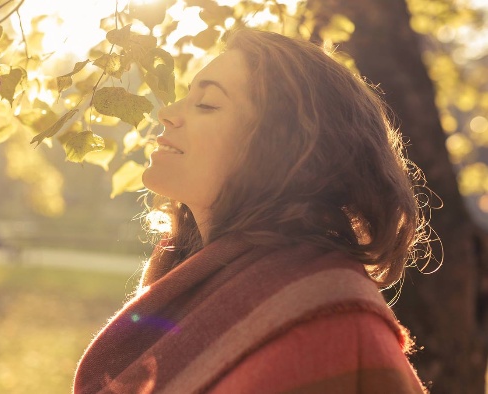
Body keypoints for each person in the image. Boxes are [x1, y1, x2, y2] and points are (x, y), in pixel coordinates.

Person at [73, 29, 431, 393]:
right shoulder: (188, 285)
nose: (166, 114)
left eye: (208, 103)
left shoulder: (327, 320)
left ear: (282, 146)